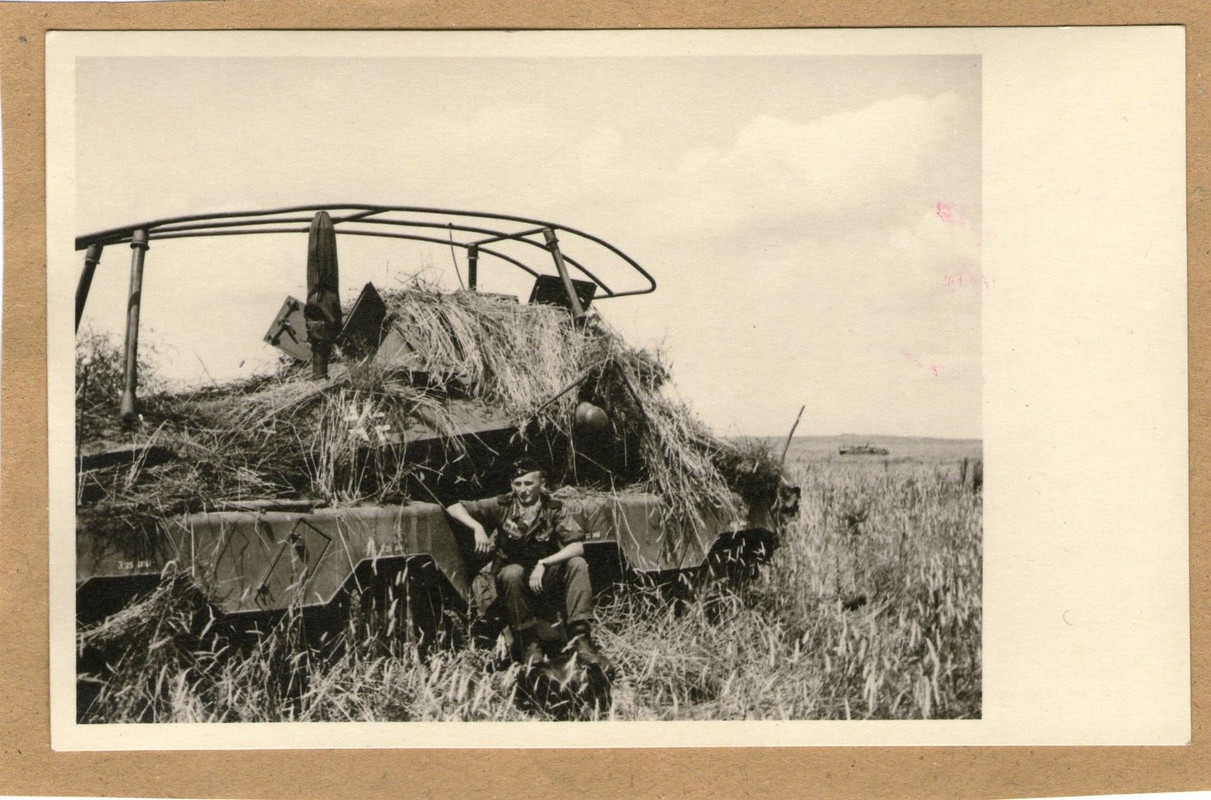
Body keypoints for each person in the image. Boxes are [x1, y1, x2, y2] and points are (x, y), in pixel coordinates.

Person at [445, 458, 610, 673]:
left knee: (577, 564)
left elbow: (577, 546)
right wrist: (477, 527)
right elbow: (453, 506)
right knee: (512, 572)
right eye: (518, 484)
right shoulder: (502, 505)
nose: (523, 490)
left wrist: (544, 563)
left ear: (541, 483)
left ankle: (580, 638)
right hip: (512, 581)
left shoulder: (553, 508)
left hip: (544, 575)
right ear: (512, 485)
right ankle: (529, 644)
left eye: (529, 483)